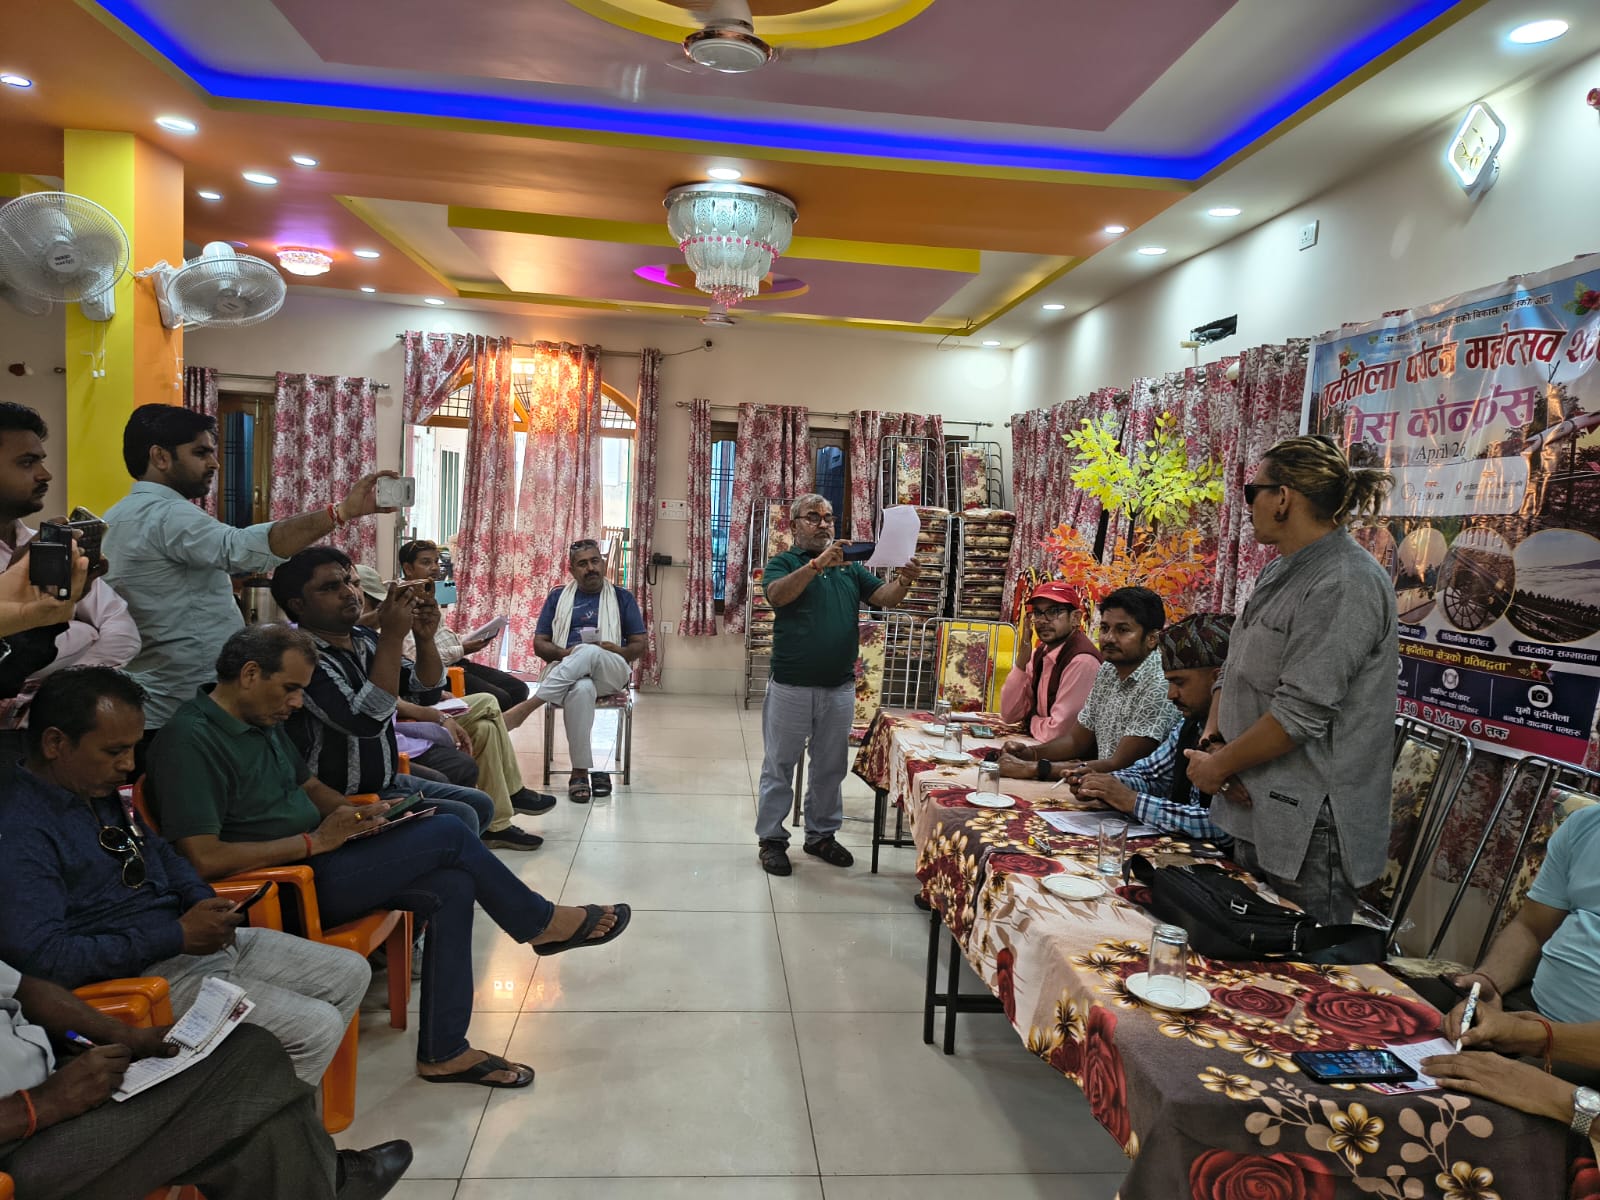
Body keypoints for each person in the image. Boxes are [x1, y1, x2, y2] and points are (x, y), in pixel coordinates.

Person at [146, 623, 631, 1089]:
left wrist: (358, 814)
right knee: (449, 832)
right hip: (282, 887)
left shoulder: (260, 719)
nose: (296, 703)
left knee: (453, 883)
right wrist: (315, 843)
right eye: (290, 689)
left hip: (320, 857)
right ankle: (539, 923)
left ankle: (445, 1052)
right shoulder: (189, 740)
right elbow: (203, 859)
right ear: (250, 674)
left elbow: (309, 786)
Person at [0, 667, 371, 1086]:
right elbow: (45, 961)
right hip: (137, 976)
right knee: (314, 1026)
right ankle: (273, 1122)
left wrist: (200, 899)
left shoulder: (94, 789)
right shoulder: (19, 830)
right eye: (114, 751)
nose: (129, 765)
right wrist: (175, 936)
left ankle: (276, 1109)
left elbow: (160, 852)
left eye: (133, 748)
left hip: (182, 941)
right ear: (55, 743)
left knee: (350, 971)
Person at [1183, 435, 1397, 925]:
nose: (1248, 505)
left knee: (1300, 963)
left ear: (1282, 498)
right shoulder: (1280, 571)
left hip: (1309, 826)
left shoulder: (1345, 582)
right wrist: (1214, 741)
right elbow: (1234, 666)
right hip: (1250, 797)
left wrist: (1219, 767)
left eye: (1252, 491)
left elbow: (1300, 713)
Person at [102, 404, 395, 745]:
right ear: (160, 457)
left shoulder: (115, 517)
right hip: (188, 704)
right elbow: (243, 551)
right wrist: (340, 512)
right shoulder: (167, 514)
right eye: (200, 453)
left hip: (155, 698)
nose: (215, 463)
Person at [0, 961, 412, 1200]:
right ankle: (332, 1179)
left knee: (261, 1130)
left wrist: (126, 1035)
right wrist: (39, 1105)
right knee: (249, 1056)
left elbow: (24, 989)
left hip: (54, 1084)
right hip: (18, 1155)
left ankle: (324, 1177)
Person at [270, 548, 513, 845]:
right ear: (298, 604)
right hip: (339, 798)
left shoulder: (364, 639)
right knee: (461, 817)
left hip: (386, 780)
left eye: (348, 582)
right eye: (330, 587)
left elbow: (426, 691)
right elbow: (366, 721)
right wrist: (393, 636)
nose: (348, 593)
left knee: (479, 804)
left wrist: (424, 638)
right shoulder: (303, 656)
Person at [755, 493, 923, 877]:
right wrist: (816, 565)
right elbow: (778, 596)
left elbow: (884, 598)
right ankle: (772, 840)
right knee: (779, 765)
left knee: (830, 767)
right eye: (813, 517)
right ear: (794, 525)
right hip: (792, 686)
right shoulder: (784, 563)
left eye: (829, 517)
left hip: (839, 687)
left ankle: (821, 836)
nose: (824, 524)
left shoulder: (850, 568)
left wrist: (904, 580)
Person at [354, 565, 556, 838]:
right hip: (405, 724)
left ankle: (497, 825)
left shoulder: (372, 635)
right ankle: (513, 790)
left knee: (487, 725)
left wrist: (426, 637)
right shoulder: (352, 642)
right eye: (425, 561)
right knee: (490, 701)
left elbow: (422, 684)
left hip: (433, 690)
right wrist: (439, 715)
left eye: (352, 585)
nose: (433, 567)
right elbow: (385, 704)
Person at [0, 403, 140, 759]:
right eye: (27, 463)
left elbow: (122, 631)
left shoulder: (46, 545)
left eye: (41, 461)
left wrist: (53, 692)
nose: (45, 474)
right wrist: (80, 631)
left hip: (49, 737)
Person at [1073, 613, 1234, 843]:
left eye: (1179, 682)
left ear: (1217, 679)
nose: (1171, 694)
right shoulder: (1191, 725)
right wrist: (1102, 784)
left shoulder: (1248, 738)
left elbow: (1224, 828)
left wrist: (1132, 801)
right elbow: (1150, 775)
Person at [997, 586, 1179, 784]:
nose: (1109, 638)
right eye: (1105, 628)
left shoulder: (1159, 684)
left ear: (1152, 639)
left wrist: (1032, 768)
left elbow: (1119, 765)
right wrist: (1029, 753)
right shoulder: (1108, 669)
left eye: (1123, 630)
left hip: (1131, 793)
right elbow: (1076, 740)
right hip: (1100, 785)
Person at [531, 538, 648, 803]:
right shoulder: (558, 597)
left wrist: (616, 650)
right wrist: (566, 654)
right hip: (570, 676)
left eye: (595, 561)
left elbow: (639, 645)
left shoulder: (622, 598)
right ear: (572, 570)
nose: (591, 568)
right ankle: (580, 772)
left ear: (603, 563)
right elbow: (539, 644)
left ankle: (530, 705)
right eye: (582, 564)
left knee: (591, 652)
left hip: (610, 671)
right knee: (582, 688)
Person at [397, 540, 532, 711]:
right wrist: (463, 649)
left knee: (519, 689)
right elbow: (414, 657)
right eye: (426, 562)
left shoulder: (427, 592)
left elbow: (442, 635)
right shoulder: (400, 602)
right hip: (435, 673)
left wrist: (472, 638)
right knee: (501, 699)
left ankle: (494, 726)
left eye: (436, 561)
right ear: (408, 568)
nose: (435, 568)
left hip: (457, 662)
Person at [999, 581, 1101, 743]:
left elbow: (1058, 733)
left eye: (1053, 612)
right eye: (1038, 613)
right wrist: (1021, 662)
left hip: (1074, 756)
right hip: (1042, 745)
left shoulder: (1081, 661)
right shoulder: (1040, 653)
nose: (1042, 620)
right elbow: (1009, 714)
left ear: (1075, 618)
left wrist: (1030, 720)